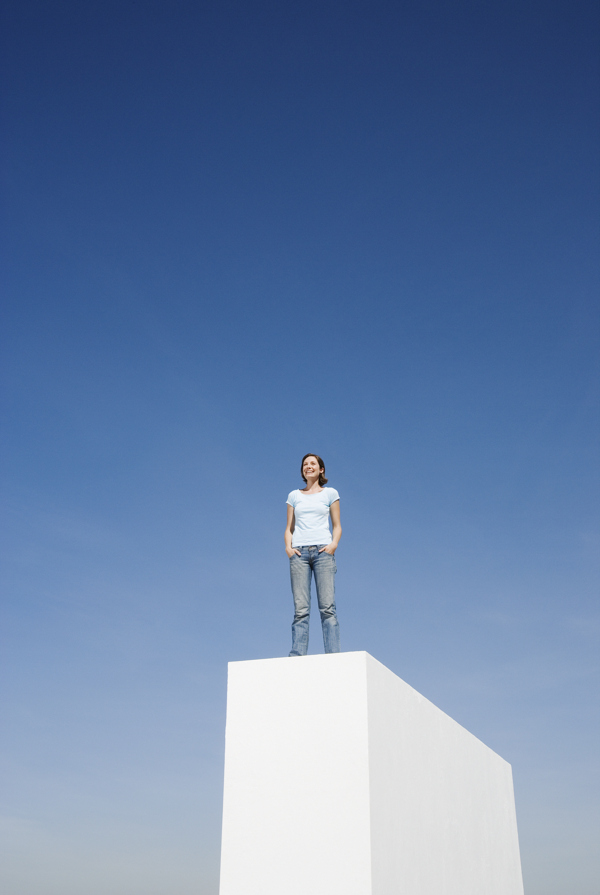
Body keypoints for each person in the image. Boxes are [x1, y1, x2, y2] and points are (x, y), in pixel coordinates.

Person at [285, 453, 342, 656]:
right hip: (299, 554)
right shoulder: (294, 496)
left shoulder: (330, 494)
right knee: (301, 610)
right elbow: (289, 528)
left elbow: (337, 526)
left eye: (312, 463)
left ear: (321, 469)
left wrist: (333, 545)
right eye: (305, 464)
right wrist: (289, 549)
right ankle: (297, 656)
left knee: (327, 608)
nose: (308, 466)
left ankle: (333, 655)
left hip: (323, 552)